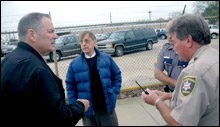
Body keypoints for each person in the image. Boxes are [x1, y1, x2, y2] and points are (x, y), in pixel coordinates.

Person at [0, 12, 89, 126]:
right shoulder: (36, 69)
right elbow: (57, 118)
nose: (56, 36)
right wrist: (80, 106)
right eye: (50, 31)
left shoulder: (9, 60)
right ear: (32, 34)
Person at [142, 14, 219, 126]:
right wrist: (168, 95)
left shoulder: (195, 72)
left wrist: (157, 102)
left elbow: (180, 123)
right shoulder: (214, 56)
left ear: (188, 40)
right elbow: (203, 97)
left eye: (175, 42)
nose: (174, 48)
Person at [65, 31, 122, 126]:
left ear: (94, 42)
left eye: (86, 41)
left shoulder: (106, 59)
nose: (83, 44)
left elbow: (117, 75)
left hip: (106, 110)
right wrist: (75, 106)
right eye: (81, 41)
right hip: (88, 113)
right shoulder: (74, 64)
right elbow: (70, 86)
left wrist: (114, 93)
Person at [154, 19, 188, 93]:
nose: (169, 36)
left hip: (189, 93)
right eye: (167, 33)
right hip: (172, 92)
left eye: (172, 33)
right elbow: (157, 73)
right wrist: (178, 84)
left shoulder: (190, 49)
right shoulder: (165, 49)